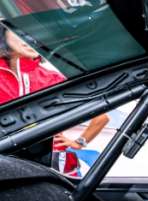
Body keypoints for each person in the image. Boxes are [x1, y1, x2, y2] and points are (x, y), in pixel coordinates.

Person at [0, 27, 109, 176]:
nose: (31, 39)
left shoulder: (53, 78)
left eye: (37, 36)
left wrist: (79, 142)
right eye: (21, 32)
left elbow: (101, 117)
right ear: (3, 33)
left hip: (48, 164)